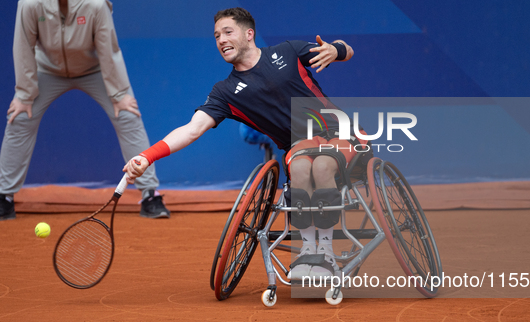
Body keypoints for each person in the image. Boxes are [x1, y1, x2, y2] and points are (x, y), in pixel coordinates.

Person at [124, 7, 365, 279]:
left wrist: (335, 49)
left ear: (249, 34)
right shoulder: (225, 92)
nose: (221, 40)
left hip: (340, 134)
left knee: (321, 165)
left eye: (228, 32)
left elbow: (347, 49)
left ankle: (327, 255)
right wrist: (147, 156)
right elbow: (192, 129)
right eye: (216, 36)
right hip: (299, 149)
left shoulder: (287, 52)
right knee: (299, 170)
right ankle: (309, 250)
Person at [0, 0, 170, 221]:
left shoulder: (96, 5)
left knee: (127, 114)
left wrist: (119, 95)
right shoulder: (30, 4)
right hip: (47, 69)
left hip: (94, 69)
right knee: (20, 116)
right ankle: (4, 196)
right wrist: (24, 94)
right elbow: (23, 46)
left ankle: (149, 195)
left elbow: (108, 49)